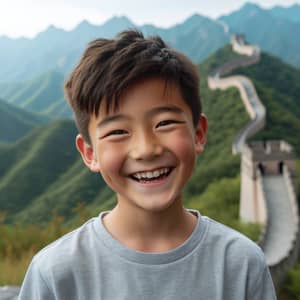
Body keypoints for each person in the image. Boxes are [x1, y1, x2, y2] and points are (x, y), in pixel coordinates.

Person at [19, 29, 277, 299]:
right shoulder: (56, 275)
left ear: (198, 134)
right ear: (90, 153)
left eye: (164, 123)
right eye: (118, 131)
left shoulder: (240, 264)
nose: (145, 149)